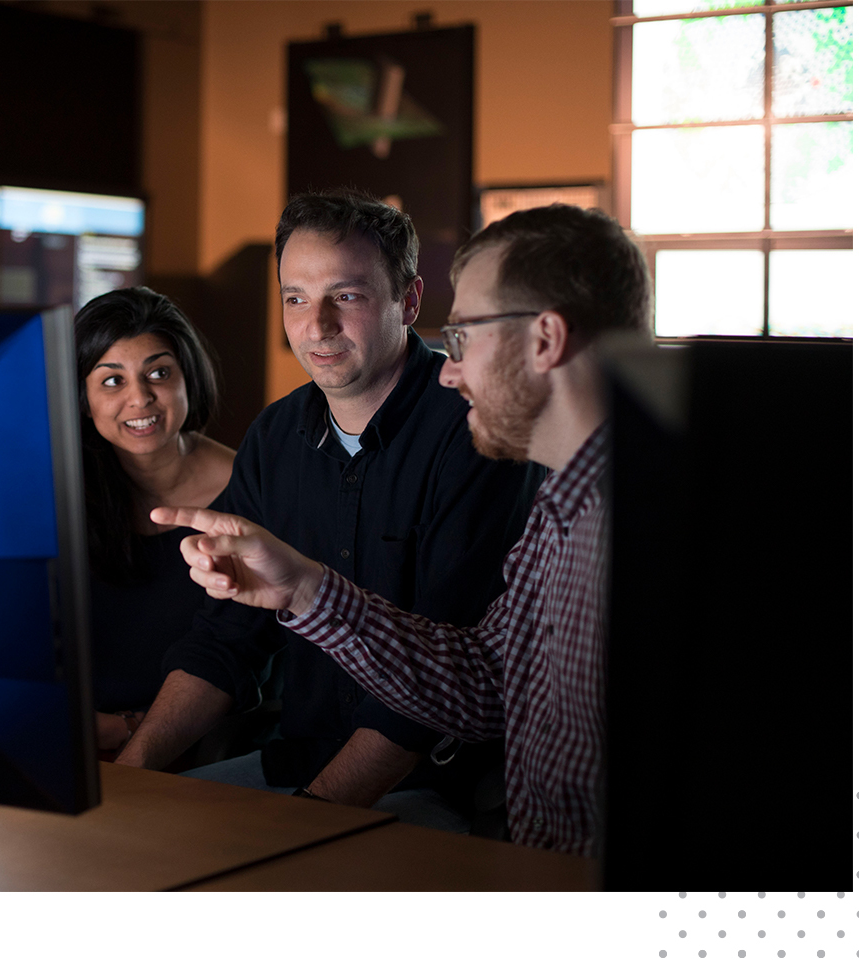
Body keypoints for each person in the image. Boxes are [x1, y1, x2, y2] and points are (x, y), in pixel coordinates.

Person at [154, 204, 652, 855]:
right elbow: (481, 681)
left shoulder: (640, 518)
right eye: (297, 298)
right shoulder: (565, 506)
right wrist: (303, 589)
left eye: (466, 336)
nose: (449, 368)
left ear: (545, 340)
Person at [116, 191, 544, 834]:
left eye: (346, 296)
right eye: (295, 298)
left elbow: (441, 689)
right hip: (294, 762)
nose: (316, 326)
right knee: (131, 837)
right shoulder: (274, 436)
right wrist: (128, 776)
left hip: (431, 785)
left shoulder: (478, 432)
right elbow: (223, 639)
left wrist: (309, 821)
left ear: (411, 300)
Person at [74, 287, 236, 756]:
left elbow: (238, 657)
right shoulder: (59, 490)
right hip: (70, 741)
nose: (139, 398)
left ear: (189, 379)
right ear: (83, 399)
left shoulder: (248, 490)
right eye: (111, 381)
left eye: (158, 373)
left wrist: (128, 733)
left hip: (207, 752)